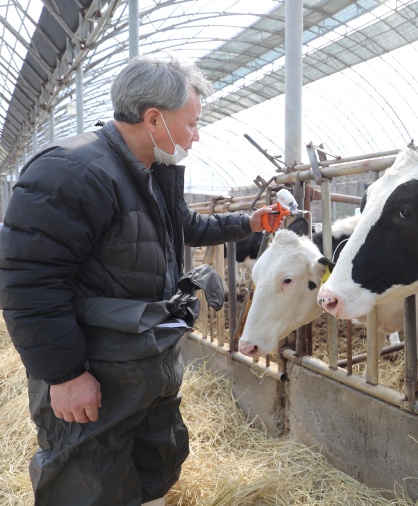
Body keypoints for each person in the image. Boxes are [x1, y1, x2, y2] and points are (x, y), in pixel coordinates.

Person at [0, 55, 281, 505]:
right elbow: (29, 283)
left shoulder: (151, 172)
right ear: (154, 119)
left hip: (143, 366)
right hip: (95, 376)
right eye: (191, 124)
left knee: (152, 476)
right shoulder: (70, 171)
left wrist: (252, 222)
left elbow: (187, 227)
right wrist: (65, 375)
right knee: (87, 486)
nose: (196, 135)